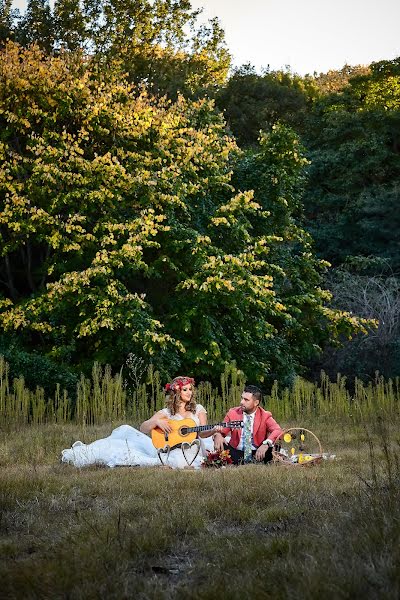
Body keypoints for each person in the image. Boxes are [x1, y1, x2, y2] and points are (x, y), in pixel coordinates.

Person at [61, 375, 214, 469]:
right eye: (185, 389)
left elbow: (202, 432)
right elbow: (143, 428)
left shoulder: (198, 409)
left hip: (193, 448)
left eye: (190, 389)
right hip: (172, 448)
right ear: (176, 392)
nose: (189, 392)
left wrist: (215, 430)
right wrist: (157, 423)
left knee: (183, 462)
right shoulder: (166, 413)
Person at [213, 384, 282, 465]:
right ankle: (233, 461)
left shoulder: (265, 415)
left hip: (258, 453)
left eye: (246, 400)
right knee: (221, 443)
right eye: (242, 398)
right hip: (235, 452)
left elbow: (278, 430)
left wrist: (266, 444)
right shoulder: (233, 413)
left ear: (256, 402)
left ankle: (258, 461)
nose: (241, 402)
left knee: (274, 446)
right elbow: (222, 431)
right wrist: (218, 435)